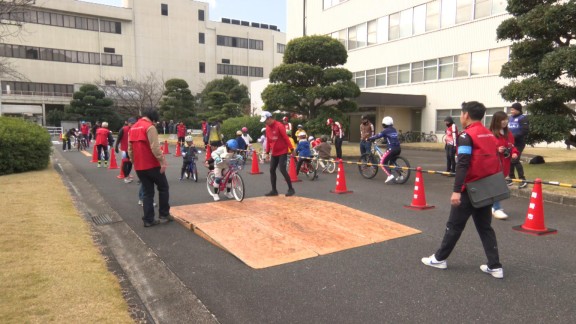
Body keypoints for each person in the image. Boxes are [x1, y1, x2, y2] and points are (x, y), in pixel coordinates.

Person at [421, 101, 503, 279]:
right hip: (487, 188)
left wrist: (457, 190)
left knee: (454, 226)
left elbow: (463, 163)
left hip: (469, 189)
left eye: (461, 113)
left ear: (466, 115)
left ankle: (439, 258)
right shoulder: (489, 135)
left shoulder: (467, 135)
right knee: (485, 227)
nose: (460, 116)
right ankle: (495, 266)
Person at [128, 108, 171, 227]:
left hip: (139, 166)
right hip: (152, 164)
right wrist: (163, 162)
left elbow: (130, 149)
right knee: (163, 188)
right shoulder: (150, 127)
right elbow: (155, 148)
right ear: (153, 117)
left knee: (147, 193)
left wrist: (133, 161)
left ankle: (148, 219)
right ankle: (164, 214)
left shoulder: (133, 128)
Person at [489, 111, 518, 220]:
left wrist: (514, 152)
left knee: (494, 186)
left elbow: (511, 146)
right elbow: (485, 148)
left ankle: (491, 206)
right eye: (503, 119)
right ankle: (497, 208)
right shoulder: (489, 133)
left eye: (506, 119)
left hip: (504, 163)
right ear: (497, 121)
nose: (505, 122)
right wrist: (496, 149)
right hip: (493, 165)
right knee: (497, 186)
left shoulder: (508, 133)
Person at [261, 111, 295, 197]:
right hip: (274, 152)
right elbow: (268, 140)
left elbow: (285, 137)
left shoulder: (279, 126)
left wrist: (291, 149)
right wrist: (267, 152)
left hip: (282, 151)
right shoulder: (268, 127)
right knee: (272, 169)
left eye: (266, 120)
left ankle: (291, 189)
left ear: (269, 118)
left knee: (282, 169)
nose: (265, 122)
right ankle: (274, 190)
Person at [367, 116, 401, 184]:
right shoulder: (394, 129)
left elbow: (378, 135)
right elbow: (389, 137)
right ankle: (401, 176)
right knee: (392, 163)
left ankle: (390, 175)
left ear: (384, 124)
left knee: (382, 162)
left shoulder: (385, 130)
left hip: (391, 149)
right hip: (398, 149)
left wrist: (370, 138)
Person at [508, 102, 529, 188]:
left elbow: (525, 131)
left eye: (513, 109)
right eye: (511, 109)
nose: (511, 111)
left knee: (515, 160)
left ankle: (523, 180)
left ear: (518, 110)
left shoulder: (523, 118)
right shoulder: (510, 118)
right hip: (510, 143)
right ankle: (511, 179)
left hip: (519, 143)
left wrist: (513, 137)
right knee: (509, 160)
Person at [115, 118, 137, 183]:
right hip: (124, 149)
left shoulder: (135, 129)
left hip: (132, 150)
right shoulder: (123, 129)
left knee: (130, 163)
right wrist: (116, 146)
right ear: (128, 123)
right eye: (131, 123)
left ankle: (128, 175)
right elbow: (119, 138)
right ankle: (126, 177)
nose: (133, 124)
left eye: (134, 123)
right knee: (125, 162)